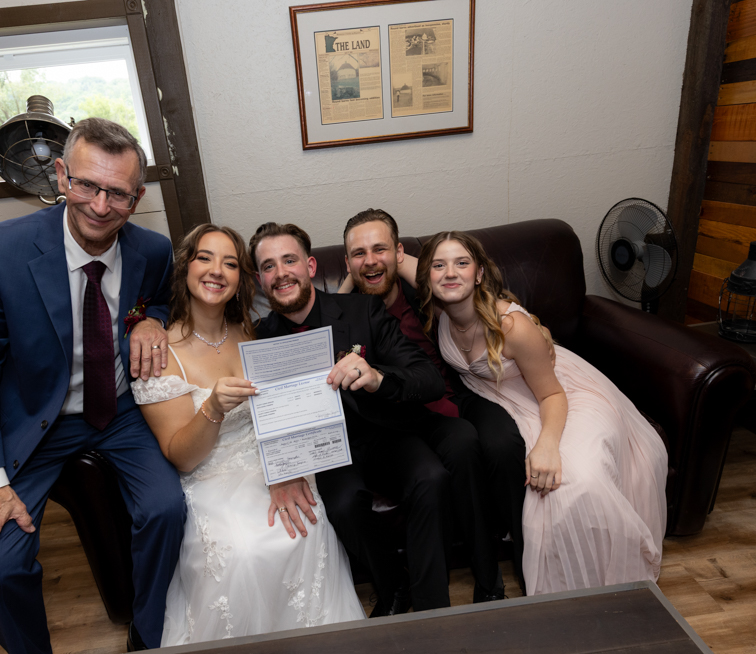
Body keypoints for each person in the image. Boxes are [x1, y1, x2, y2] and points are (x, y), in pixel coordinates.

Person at [0, 118, 185, 653]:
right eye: (86, 184)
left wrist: (152, 320)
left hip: (121, 413)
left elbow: (162, 300)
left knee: (167, 510)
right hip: (34, 421)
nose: (100, 205)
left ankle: (148, 634)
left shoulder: (153, 251)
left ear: (137, 198)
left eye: (117, 193)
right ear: (60, 175)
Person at [250, 222, 503, 616]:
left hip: (386, 433)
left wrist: (376, 377)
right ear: (259, 280)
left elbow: (427, 377)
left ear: (310, 266)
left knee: (431, 477)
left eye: (289, 261)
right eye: (269, 266)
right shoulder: (259, 339)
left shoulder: (362, 310)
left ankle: (432, 611)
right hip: (327, 452)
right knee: (343, 505)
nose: (281, 273)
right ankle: (394, 587)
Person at [131, 225, 365, 645]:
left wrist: (286, 468)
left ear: (241, 279)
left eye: (230, 263)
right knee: (246, 550)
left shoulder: (253, 333)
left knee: (308, 527)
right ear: (185, 268)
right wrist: (213, 408)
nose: (216, 270)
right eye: (205, 258)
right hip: (211, 475)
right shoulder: (161, 352)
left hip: (268, 462)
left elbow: (283, 410)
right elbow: (182, 457)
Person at [412, 231, 668, 594]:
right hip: (509, 399)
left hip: (559, 395)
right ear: (428, 276)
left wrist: (547, 446)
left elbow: (552, 394)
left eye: (462, 263)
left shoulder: (512, 327)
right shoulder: (440, 307)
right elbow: (394, 259)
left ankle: (603, 583)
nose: (450, 273)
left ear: (479, 273)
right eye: (439, 265)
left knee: (576, 482)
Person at [340, 209, 527, 592]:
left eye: (380, 249)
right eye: (359, 254)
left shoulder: (425, 292)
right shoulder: (350, 315)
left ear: (399, 253)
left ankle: (514, 565)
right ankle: (486, 580)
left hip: (457, 395)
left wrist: (377, 262)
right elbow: (327, 317)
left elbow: (452, 280)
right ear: (348, 263)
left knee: (500, 442)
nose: (371, 260)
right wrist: (351, 279)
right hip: (399, 420)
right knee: (460, 444)